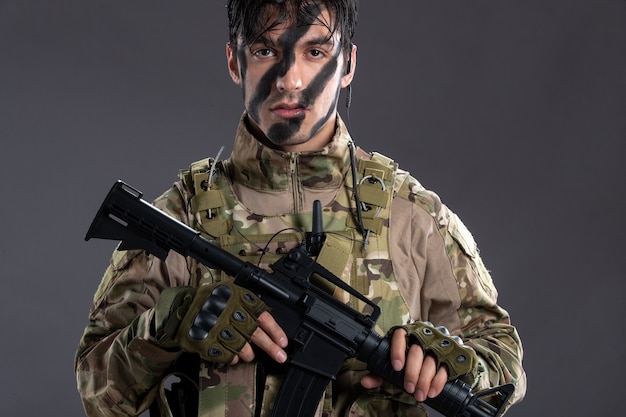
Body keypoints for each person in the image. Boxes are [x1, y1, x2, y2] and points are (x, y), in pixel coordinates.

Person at [75, 1, 526, 416]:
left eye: (314, 52)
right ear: (235, 62)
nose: (290, 80)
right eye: (266, 50)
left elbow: (502, 358)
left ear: (346, 64)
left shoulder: (411, 216)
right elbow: (98, 391)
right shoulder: (180, 217)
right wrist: (167, 325)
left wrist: (457, 364)